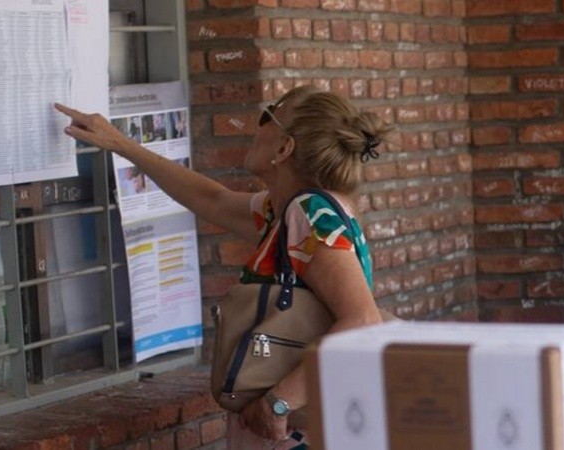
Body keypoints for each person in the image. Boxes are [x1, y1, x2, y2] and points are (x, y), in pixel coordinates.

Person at [55, 85, 391, 449]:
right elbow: (212, 199)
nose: (255, 126)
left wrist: (278, 403)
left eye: (268, 115)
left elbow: (362, 321)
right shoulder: (284, 211)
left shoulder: (309, 214)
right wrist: (123, 144)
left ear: (284, 148)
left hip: (297, 430)